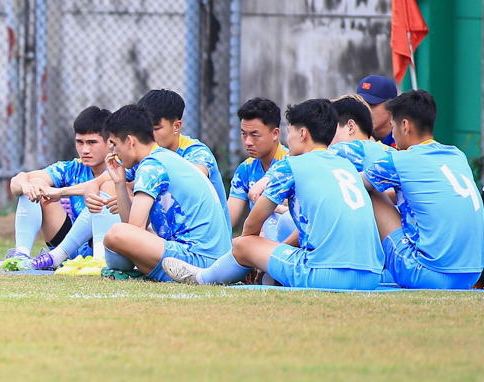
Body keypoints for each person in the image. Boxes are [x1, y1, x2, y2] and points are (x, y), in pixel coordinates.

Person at [163, 98, 384, 290]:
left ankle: (201, 277)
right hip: (371, 276)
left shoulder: (291, 164)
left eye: (290, 132)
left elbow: (251, 225)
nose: (289, 139)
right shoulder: (345, 164)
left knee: (244, 244)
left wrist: (250, 255)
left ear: (302, 133)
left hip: (325, 274)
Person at [362, 90, 484, 290]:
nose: (393, 134)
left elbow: (352, 184)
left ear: (405, 125)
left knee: (371, 192)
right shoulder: (457, 155)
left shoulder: (401, 159)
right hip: (472, 274)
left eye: (393, 126)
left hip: (426, 274)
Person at [100, 105, 231, 282]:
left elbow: (132, 230)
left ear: (130, 141)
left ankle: (188, 275)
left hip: (198, 259)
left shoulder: (152, 165)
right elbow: (133, 229)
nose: (114, 153)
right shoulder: (164, 157)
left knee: (116, 233)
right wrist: (120, 184)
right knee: (123, 233)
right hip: (214, 259)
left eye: (115, 145)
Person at [2, 107, 113, 271]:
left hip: (105, 245)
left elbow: (101, 184)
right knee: (35, 184)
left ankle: (99, 260)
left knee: (104, 193)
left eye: (92, 142)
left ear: (110, 142)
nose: (85, 150)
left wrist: (60, 192)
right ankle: (21, 255)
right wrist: (26, 186)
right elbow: (17, 181)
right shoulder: (72, 167)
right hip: (69, 246)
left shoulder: (121, 166)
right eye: (79, 142)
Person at [137, 89, 227, 205]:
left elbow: (192, 181)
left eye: (156, 129)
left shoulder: (198, 153)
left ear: (176, 126)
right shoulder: (142, 149)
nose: (148, 134)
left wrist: (141, 194)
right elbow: (116, 175)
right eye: (144, 129)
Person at [228, 97, 288, 231]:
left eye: (255, 135)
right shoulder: (245, 169)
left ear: (275, 133)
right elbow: (228, 220)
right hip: (258, 237)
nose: (248, 142)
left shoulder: (291, 164)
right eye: (244, 134)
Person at [328, 94, 390, 171]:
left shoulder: (345, 150)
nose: (327, 138)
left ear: (351, 127)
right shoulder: (390, 152)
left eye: (331, 130)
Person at [356, 75, 398, 147]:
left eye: (371, 105)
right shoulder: (352, 140)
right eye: (360, 105)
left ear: (391, 107)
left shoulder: (406, 139)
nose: (364, 110)